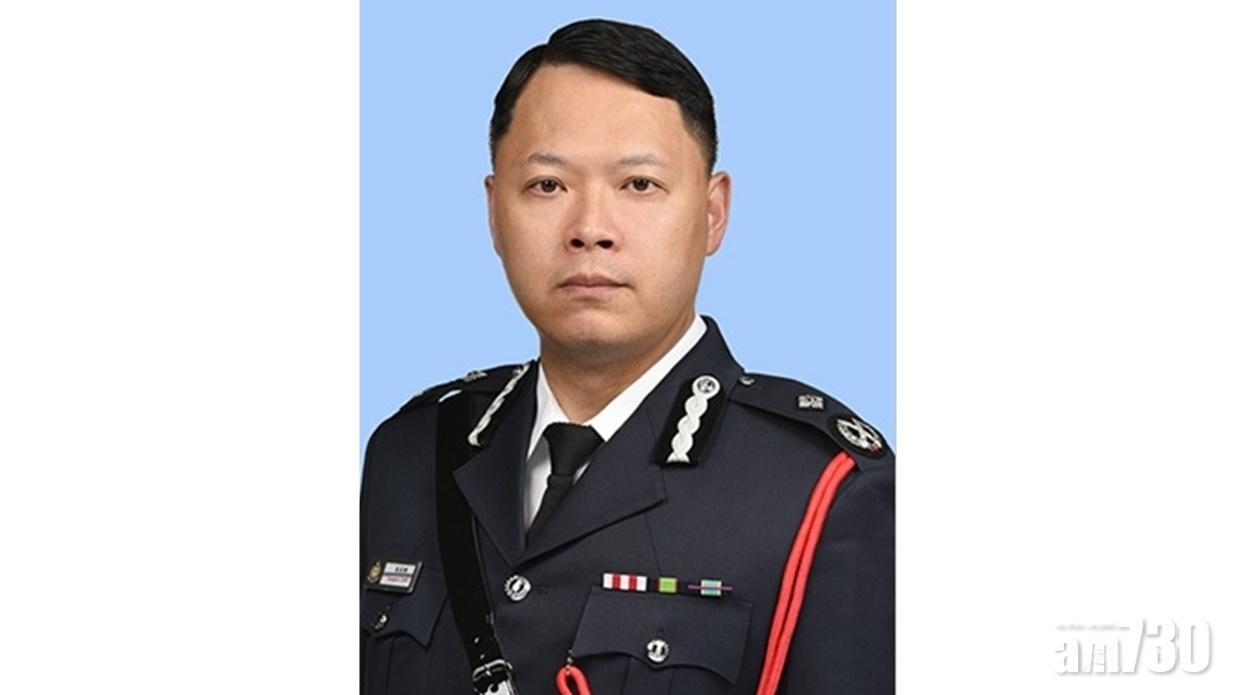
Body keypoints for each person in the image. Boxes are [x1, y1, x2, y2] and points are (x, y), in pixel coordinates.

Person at [360, 18, 893, 695]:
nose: (590, 229)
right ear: (494, 212)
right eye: (547, 185)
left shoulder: (824, 488)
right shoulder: (411, 453)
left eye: (638, 184)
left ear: (713, 213)